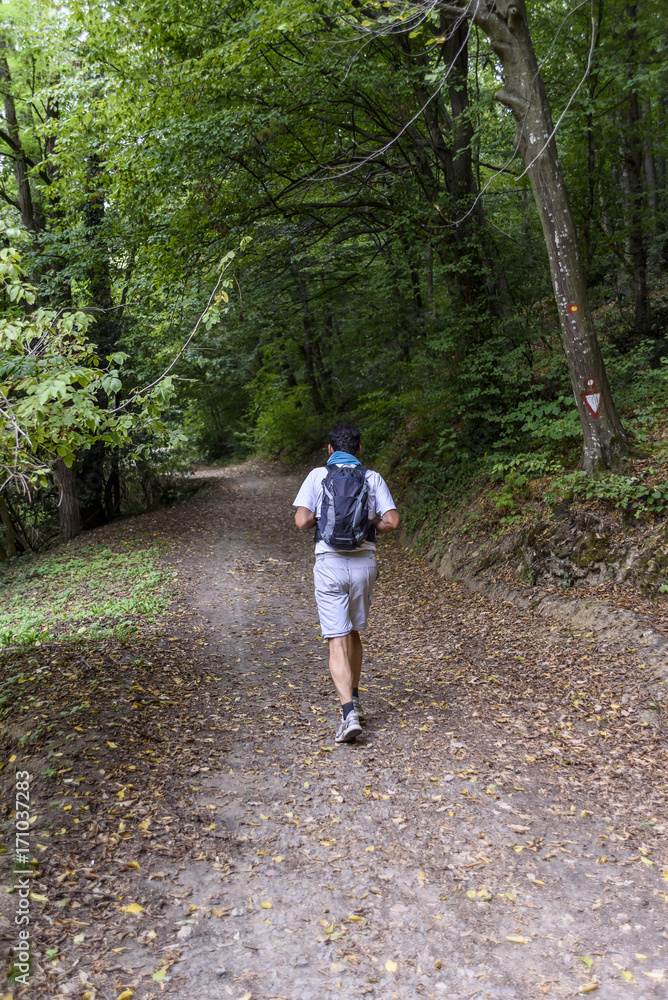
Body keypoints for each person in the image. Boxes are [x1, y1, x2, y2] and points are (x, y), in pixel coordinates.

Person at [293, 424, 400, 743]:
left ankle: (348, 713)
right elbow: (392, 521)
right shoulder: (372, 477)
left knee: (336, 638)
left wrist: (321, 518)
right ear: (359, 450)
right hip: (364, 562)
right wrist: (370, 525)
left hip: (330, 563)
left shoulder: (317, 476)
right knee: (353, 630)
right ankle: (356, 697)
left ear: (329, 450)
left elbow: (301, 521)